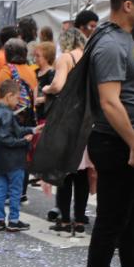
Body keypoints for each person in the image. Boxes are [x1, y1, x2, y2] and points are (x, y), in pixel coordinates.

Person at [83, 0, 134, 267]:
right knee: (112, 220)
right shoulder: (111, 44)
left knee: (127, 218)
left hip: (120, 140)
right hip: (115, 141)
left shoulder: (119, 38)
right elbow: (110, 101)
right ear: (129, 5)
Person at [43, 28, 90, 234]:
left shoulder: (65, 58)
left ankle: (63, 219)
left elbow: (59, 84)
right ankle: (79, 219)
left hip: (68, 118)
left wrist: (47, 89)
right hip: (87, 118)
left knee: (64, 172)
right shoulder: (90, 56)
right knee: (82, 174)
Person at [0, 80, 38, 232]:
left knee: (1, 189)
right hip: (13, 160)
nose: (18, 102)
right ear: (9, 96)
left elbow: (14, 130)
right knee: (16, 190)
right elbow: (6, 138)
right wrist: (24, 141)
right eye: (17, 98)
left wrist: (33, 130)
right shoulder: (7, 114)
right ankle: (13, 220)